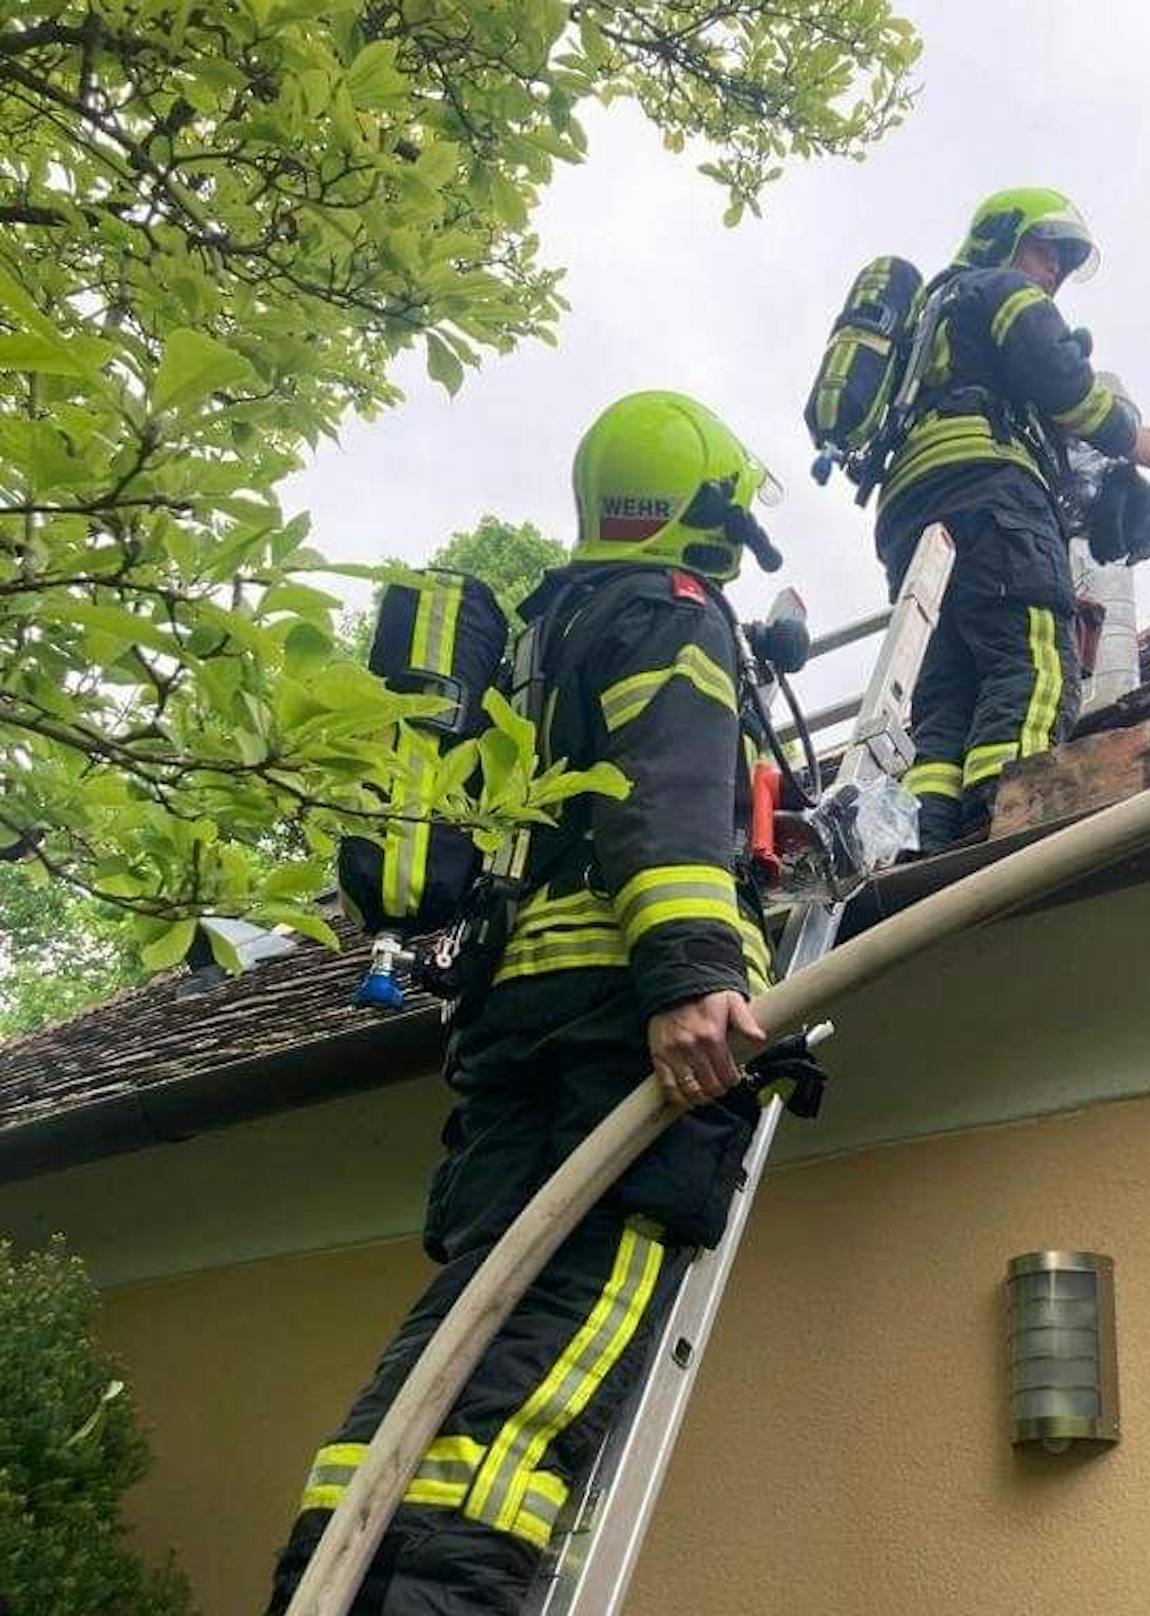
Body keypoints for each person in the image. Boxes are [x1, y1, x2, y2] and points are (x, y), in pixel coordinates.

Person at [266, 390, 787, 1615]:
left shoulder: (538, 635)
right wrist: (693, 974)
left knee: (473, 1303)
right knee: (580, 1296)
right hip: (624, 1014)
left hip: (511, 1023)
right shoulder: (668, 614)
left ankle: (334, 1573)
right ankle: (441, 1597)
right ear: (703, 502)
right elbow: (662, 790)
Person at [875, 186, 1150, 852]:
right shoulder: (1001, 291)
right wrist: (1135, 441)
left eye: (1064, 264)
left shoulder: (933, 325)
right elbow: (1061, 380)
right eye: (1047, 250)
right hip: (992, 495)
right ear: (1002, 238)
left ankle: (927, 831)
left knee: (948, 690)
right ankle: (1002, 810)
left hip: (911, 517)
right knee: (1034, 658)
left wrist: (1096, 497)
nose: (1053, 273)